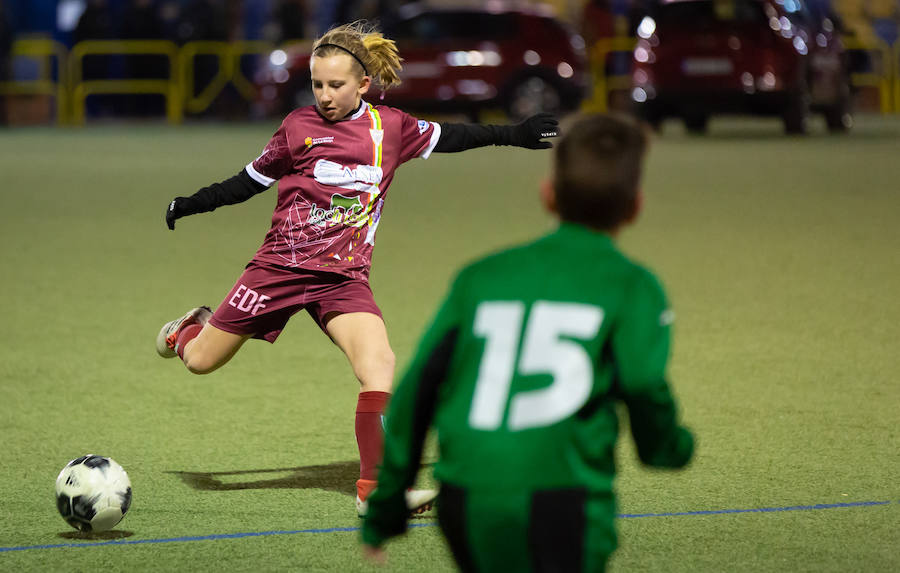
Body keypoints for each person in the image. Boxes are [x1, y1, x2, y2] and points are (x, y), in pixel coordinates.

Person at [157, 20, 559, 517]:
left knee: (379, 366)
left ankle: (375, 491)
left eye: (336, 85)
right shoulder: (296, 128)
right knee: (201, 363)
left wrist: (515, 134)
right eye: (318, 85)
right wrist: (191, 204)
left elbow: (456, 135)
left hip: (343, 280)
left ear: (363, 84)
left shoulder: (391, 128)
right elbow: (247, 183)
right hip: (277, 270)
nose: (325, 95)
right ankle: (186, 333)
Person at [360, 113, 695, 571]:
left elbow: (418, 392)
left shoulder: (481, 276)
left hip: (464, 495)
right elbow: (640, 382)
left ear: (548, 195)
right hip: (560, 499)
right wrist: (667, 448)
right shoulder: (632, 286)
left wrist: (386, 504)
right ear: (635, 206)